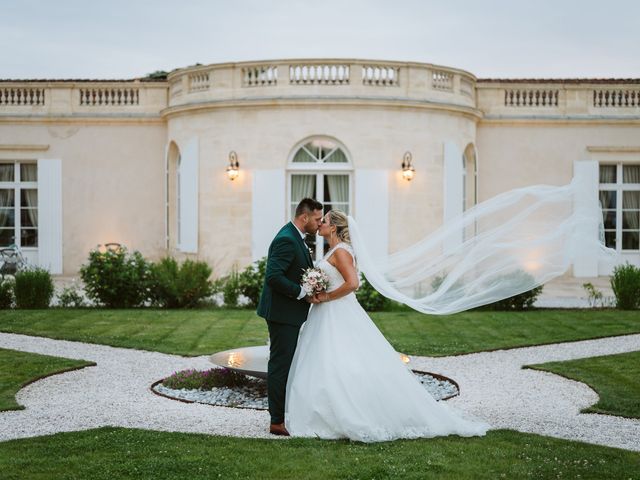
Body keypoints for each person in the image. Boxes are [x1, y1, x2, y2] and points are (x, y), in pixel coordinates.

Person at [284, 210, 490, 442]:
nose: (320, 223)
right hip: (326, 313)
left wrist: (326, 297)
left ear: (333, 227)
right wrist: (316, 291)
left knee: (340, 359)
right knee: (325, 360)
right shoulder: (334, 250)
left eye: (325, 221)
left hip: (336, 311)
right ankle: (322, 410)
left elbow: (353, 283)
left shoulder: (341, 251)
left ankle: (350, 410)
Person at [256, 197, 323, 436]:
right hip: (282, 314)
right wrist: (301, 292)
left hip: (289, 312)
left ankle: (283, 413)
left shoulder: (296, 237)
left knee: (285, 363)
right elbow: (273, 276)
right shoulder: (286, 239)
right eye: (317, 219)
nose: (319, 223)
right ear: (304, 217)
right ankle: (276, 421)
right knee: (280, 365)